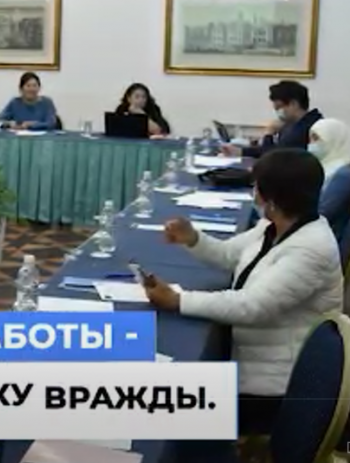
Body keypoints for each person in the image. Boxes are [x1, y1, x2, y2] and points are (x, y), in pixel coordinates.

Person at [141, 148, 343, 435]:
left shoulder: (312, 248)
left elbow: (252, 306)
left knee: (167, 403)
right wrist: (193, 238)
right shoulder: (274, 226)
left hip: (274, 388)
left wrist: (178, 300)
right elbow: (228, 255)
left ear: (272, 198)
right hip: (250, 358)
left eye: (256, 187)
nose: (253, 194)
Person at [221, 81, 322, 158]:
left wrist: (268, 134)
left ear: (293, 104)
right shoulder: (293, 124)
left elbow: (271, 157)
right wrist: (240, 151)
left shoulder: (307, 128)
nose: (278, 113)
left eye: (279, 108)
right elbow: (274, 149)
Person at [311, 119, 350, 264]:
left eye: (316, 139)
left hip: (326, 244)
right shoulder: (324, 165)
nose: (311, 144)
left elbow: (324, 212)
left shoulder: (343, 174)